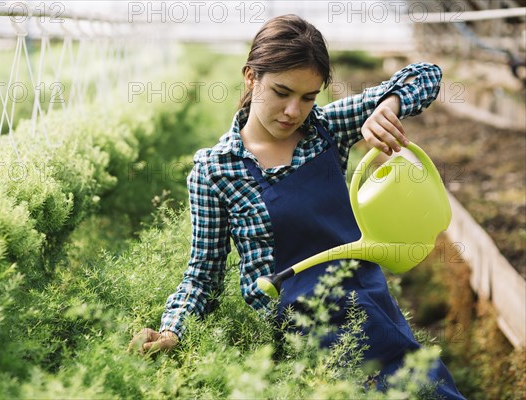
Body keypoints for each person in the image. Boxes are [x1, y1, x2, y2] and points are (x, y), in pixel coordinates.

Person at [129, 14, 465, 399]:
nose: (293, 111)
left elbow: (426, 75)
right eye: (282, 91)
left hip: (369, 315)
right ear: (251, 77)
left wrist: (388, 105)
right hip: (299, 346)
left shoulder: (326, 130)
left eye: (308, 97)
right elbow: (202, 278)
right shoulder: (215, 170)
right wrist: (171, 330)